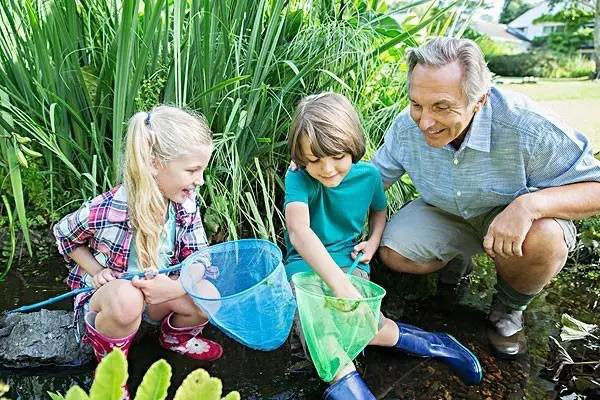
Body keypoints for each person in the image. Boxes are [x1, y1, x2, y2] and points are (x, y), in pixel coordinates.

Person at [372, 37, 600, 360]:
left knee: (546, 238)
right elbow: (368, 185)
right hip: (447, 212)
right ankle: (457, 262)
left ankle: (507, 309)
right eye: (416, 104)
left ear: (479, 100)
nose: (424, 122)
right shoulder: (405, 129)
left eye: (441, 107)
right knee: (393, 250)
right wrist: (313, 173)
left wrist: (529, 206)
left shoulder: (526, 127)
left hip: (515, 222)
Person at [284, 92, 483, 400]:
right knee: (318, 327)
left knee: (365, 326)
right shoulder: (298, 178)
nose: (326, 169)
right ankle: (351, 387)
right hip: (303, 265)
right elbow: (299, 231)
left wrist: (374, 241)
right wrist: (339, 286)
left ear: (354, 147)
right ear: (300, 157)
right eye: (314, 159)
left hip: (349, 261)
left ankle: (436, 344)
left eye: (337, 157)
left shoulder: (369, 176)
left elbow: (379, 210)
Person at [53, 106, 223, 371]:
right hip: (114, 298)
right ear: (154, 164)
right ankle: (112, 367)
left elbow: (200, 257)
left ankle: (174, 338)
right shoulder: (109, 209)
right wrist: (97, 271)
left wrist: (176, 288)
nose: (200, 180)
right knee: (127, 299)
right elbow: (64, 234)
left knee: (209, 296)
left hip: (157, 296)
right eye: (192, 171)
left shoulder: (185, 204)